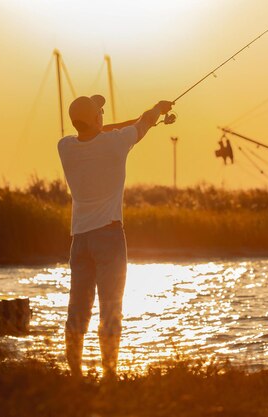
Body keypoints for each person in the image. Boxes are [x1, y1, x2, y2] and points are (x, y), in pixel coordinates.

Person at [57, 94, 173, 379]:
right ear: (97, 119)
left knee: (78, 309)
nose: (103, 118)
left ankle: (76, 376)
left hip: (79, 240)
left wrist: (102, 122)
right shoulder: (114, 142)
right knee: (111, 308)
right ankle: (109, 375)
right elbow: (143, 123)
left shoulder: (65, 147)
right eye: (100, 113)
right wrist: (157, 108)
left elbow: (98, 132)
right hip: (108, 236)